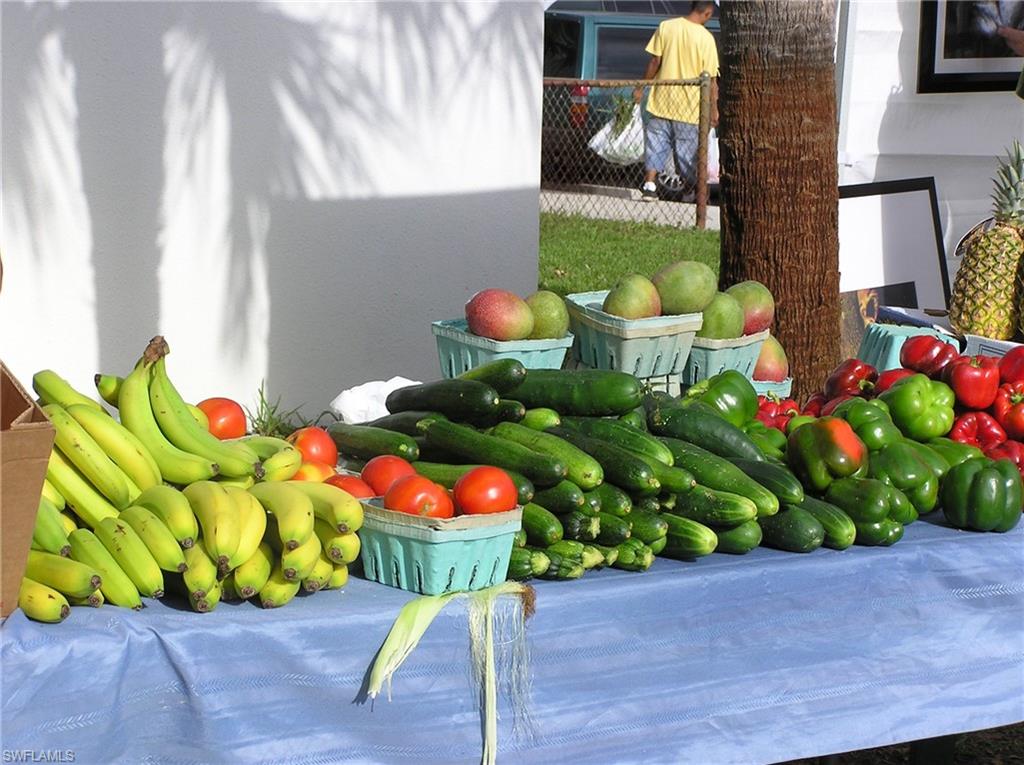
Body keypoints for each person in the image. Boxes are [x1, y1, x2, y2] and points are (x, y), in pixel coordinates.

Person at [634, 0, 719, 202]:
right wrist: (714, 108)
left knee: (655, 146)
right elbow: (712, 79)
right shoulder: (706, 39)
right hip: (689, 108)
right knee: (687, 156)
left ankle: (649, 186)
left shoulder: (666, 26)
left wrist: (641, 87)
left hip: (661, 101)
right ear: (707, 13)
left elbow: (655, 61)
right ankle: (693, 190)